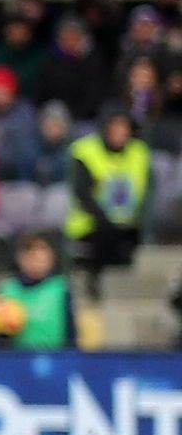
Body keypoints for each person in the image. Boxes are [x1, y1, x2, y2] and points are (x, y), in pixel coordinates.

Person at [67, 106, 150, 299]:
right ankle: (96, 285)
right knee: (106, 232)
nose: (120, 133)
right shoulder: (84, 151)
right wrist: (105, 219)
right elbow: (82, 193)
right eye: (115, 127)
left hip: (128, 223)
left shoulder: (140, 152)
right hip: (92, 223)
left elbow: (147, 192)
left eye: (124, 127)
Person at [0, 232, 78, 350]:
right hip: (19, 358)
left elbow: (70, 330)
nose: (40, 264)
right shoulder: (9, 289)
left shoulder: (59, 288)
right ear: (22, 259)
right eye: (35, 259)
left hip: (53, 357)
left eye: (44, 259)